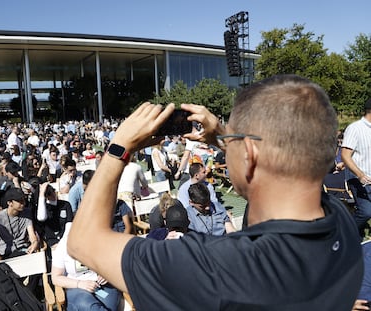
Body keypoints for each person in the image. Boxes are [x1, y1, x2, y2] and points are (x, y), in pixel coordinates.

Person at [68, 75, 363, 310]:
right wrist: (226, 136)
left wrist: (119, 146)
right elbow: (282, 177)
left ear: (249, 154)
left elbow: (83, 242)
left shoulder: (216, 269)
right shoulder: (343, 225)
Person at [51, 224, 122, 311]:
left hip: (102, 286)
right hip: (76, 287)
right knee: (89, 307)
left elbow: (114, 263)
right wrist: (80, 283)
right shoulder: (63, 246)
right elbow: (56, 277)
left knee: (110, 306)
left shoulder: (98, 239)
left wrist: (107, 273)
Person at [0, 187, 39, 261]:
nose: (23, 203)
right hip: (3, 253)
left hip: (23, 250)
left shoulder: (27, 213)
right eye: (20, 201)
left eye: (24, 200)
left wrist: (34, 242)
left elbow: (32, 234)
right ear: (10, 203)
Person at [341, 98, 371, 236]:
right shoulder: (355, 128)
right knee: (366, 212)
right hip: (359, 179)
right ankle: (345, 232)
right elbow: (345, 155)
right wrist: (360, 175)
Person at [36, 182, 73, 248]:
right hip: (52, 241)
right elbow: (41, 218)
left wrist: (63, 241)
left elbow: (69, 224)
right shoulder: (44, 208)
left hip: (66, 239)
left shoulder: (65, 204)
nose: (53, 194)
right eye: (49, 194)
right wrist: (41, 194)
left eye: (53, 191)